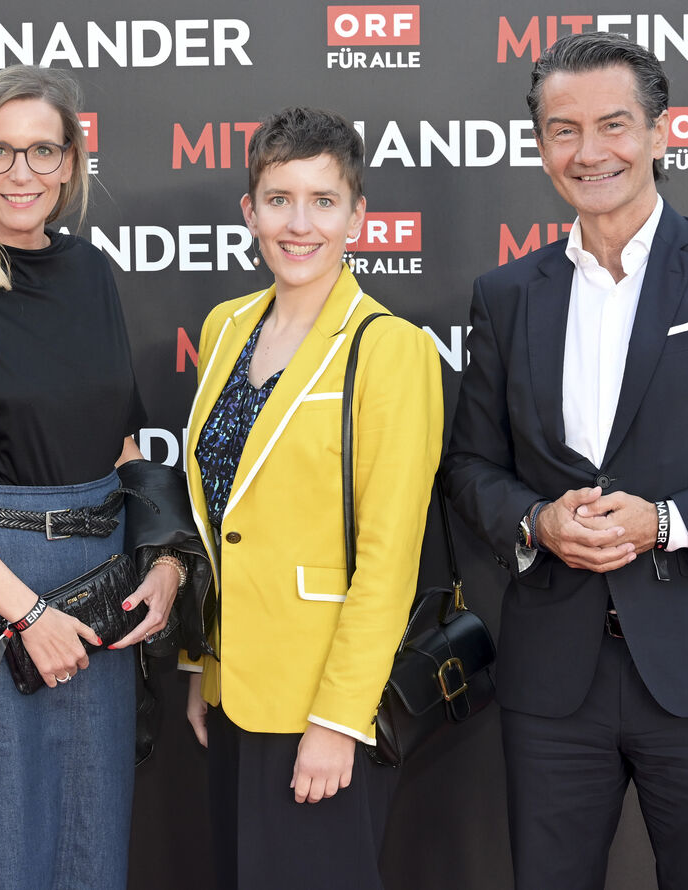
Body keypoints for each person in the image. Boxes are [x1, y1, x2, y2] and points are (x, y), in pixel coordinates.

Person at [443, 32, 688, 890]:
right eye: (564, 130)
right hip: (554, 680)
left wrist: (667, 523)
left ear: (661, 133)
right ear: (542, 146)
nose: (590, 152)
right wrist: (536, 521)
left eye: (614, 125)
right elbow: (470, 465)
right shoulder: (506, 296)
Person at [0, 64, 182, 890]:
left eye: (42, 151)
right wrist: (28, 614)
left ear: (70, 163)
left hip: (101, 587)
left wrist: (163, 560)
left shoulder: (91, 273)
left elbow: (124, 445)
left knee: (92, 841)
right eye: (0, 152)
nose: (23, 173)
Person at [181, 107, 443, 889]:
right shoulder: (225, 327)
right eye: (279, 199)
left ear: (357, 217)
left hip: (322, 705)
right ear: (250, 212)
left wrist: (338, 720)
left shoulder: (389, 348)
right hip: (232, 691)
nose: (300, 225)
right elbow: (220, 520)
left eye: (323, 201)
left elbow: (389, 558)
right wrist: (200, 664)